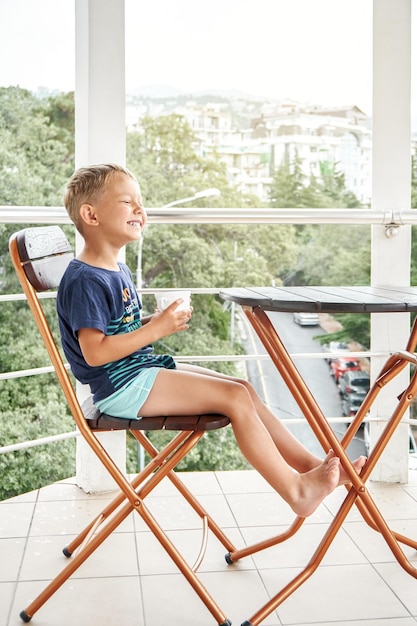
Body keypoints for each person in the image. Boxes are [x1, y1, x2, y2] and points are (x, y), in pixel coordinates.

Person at [57, 163, 366, 518]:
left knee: (243, 388)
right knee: (234, 397)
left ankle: (313, 467)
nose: (141, 210)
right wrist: (157, 330)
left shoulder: (116, 269)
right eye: (128, 202)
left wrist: (152, 321)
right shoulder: (86, 279)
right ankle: (297, 492)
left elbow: (115, 330)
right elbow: (94, 353)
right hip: (120, 388)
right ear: (90, 214)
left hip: (138, 372)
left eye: (141, 202)